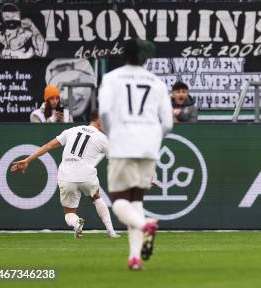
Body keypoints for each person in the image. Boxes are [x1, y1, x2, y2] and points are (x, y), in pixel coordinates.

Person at [98, 39, 173, 271]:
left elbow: (105, 114)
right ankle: (134, 258)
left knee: (120, 201)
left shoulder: (111, 78)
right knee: (136, 201)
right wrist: (151, 137)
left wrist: (116, 135)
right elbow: (168, 124)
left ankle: (145, 225)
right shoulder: (157, 82)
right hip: (149, 146)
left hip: (123, 143)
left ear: (123, 54)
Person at [10, 110, 119, 239]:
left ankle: (76, 223)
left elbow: (48, 146)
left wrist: (28, 159)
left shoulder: (71, 130)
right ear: (99, 121)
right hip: (86, 176)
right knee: (96, 198)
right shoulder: (103, 138)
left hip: (66, 176)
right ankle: (111, 231)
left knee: (69, 214)